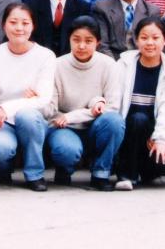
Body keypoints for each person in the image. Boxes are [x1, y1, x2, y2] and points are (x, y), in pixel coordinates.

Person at [44, 16, 124, 190]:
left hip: (96, 124)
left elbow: (112, 107)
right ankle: (64, 169)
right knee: (66, 150)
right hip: (64, 127)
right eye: (76, 40)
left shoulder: (109, 65)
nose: (81, 46)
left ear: (98, 42)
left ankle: (100, 173)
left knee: (114, 122)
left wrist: (74, 116)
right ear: (69, 40)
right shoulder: (57, 65)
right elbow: (51, 109)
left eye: (88, 41)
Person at [0, 3, 56, 191]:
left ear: (33, 26)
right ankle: (3, 169)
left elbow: (43, 98)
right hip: (1, 120)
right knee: (0, 148)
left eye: (25, 23)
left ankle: (35, 174)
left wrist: (7, 107)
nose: (19, 28)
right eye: (13, 22)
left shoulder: (46, 56)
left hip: (32, 119)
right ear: (3, 25)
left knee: (27, 115)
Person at [114, 16, 165, 190]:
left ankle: (143, 171)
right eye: (144, 38)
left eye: (155, 38)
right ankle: (127, 175)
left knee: (164, 162)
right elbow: (113, 100)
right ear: (136, 40)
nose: (150, 43)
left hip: (152, 132)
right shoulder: (124, 64)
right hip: (125, 131)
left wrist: (160, 138)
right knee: (138, 119)